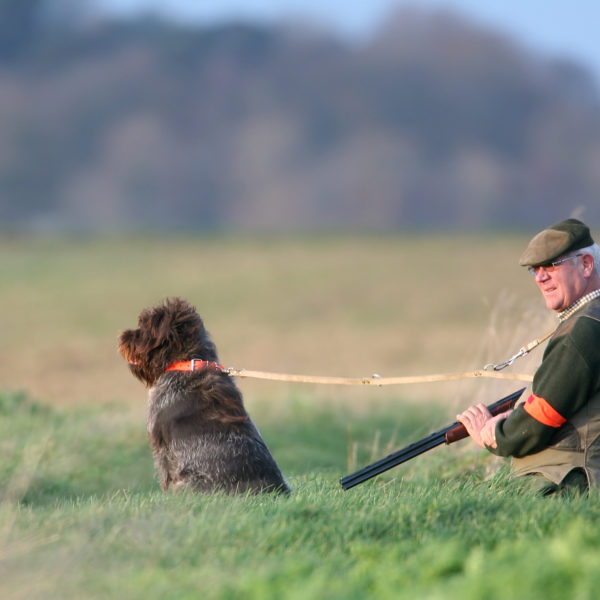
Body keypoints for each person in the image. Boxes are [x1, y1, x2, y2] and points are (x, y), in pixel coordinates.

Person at [457, 218, 600, 495]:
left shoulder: (584, 329)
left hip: (570, 484)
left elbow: (540, 420)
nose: (540, 277)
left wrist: (493, 432)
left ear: (586, 264)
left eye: (552, 265)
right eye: (535, 269)